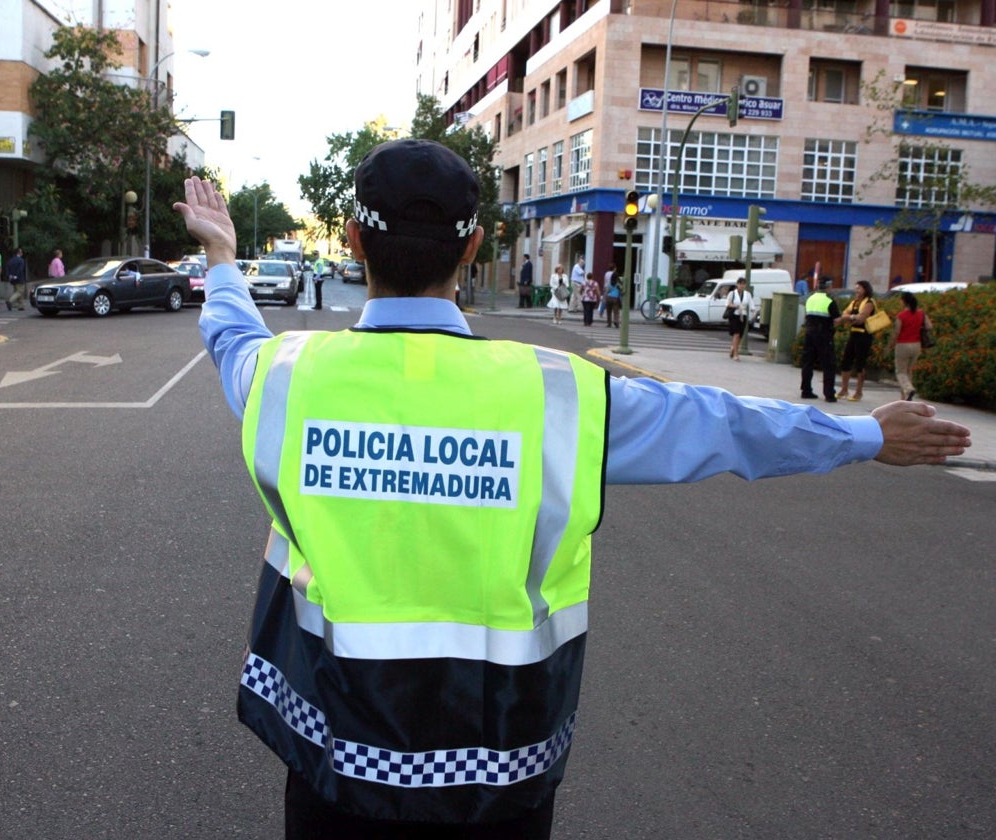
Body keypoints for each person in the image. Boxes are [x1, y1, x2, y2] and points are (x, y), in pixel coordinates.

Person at [174, 138, 971, 839]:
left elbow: (233, 334)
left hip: (334, 762)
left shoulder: (286, 379)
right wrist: (865, 433)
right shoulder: (564, 396)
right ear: (475, 246)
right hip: (498, 772)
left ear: (351, 241)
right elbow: (724, 424)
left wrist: (220, 256)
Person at [800, 278, 844, 402]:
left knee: (808, 363)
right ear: (828, 286)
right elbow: (836, 319)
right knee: (828, 364)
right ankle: (829, 394)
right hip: (824, 335)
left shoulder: (810, 299)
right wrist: (846, 317)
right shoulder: (829, 301)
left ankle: (806, 390)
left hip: (809, 334)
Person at [837, 280, 878, 401]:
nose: (856, 291)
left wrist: (850, 318)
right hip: (853, 334)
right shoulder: (854, 302)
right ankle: (844, 389)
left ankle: (858, 392)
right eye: (856, 288)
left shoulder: (870, 302)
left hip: (864, 335)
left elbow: (861, 318)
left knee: (860, 363)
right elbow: (844, 315)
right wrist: (851, 317)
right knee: (846, 361)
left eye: (859, 288)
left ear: (865, 289)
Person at [891, 291, 930, 401]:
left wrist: (891, 344)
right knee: (908, 370)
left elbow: (897, 332)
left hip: (902, 344)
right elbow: (929, 326)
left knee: (900, 371)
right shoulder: (921, 313)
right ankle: (905, 397)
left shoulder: (901, 315)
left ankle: (908, 389)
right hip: (916, 344)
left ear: (904, 301)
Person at [725, 276, 753, 360]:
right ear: (737, 284)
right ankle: (736, 354)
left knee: (740, 335)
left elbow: (751, 304)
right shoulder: (732, 293)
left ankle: (733, 348)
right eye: (740, 284)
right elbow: (727, 303)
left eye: (744, 284)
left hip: (743, 315)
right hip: (734, 314)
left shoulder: (747, 294)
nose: (742, 286)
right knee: (736, 334)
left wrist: (754, 311)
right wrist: (735, 305)